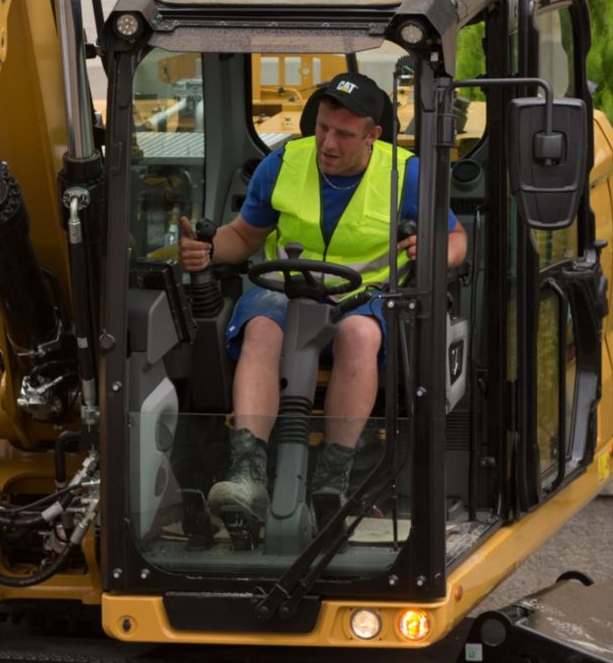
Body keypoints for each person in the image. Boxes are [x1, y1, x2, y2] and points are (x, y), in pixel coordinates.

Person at [177, 70, 466, 534]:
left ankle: (334, 479)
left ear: (372, 136)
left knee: (359, 334)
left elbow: (456, 238)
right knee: (261, 328)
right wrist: (208, 250)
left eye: (344, 135)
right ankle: (247, 474)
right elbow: (244, 237)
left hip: (363, 300)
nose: (328, 144)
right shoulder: (283, 163)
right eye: (323, 129)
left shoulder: (406, 174)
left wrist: (436, 251)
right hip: (284, 295)